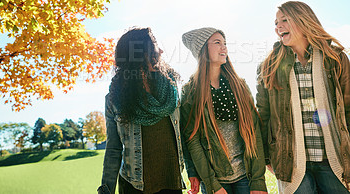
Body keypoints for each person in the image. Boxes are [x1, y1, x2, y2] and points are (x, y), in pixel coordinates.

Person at [256, 1, 350, 194]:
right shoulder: (270, 66)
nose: (278, 27)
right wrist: (267, 158)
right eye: (276, 23)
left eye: (284, 20)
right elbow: (263, 116)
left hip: (334, 162)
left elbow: (348, 108)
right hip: (292, 164)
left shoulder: (335, 59)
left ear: (303, 20)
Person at [97, 27, 185, 194]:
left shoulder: (170, 88)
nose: (160, 51)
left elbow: (185, 133)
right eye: (153, 46)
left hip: (172, 182)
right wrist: (106, 189)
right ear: (137, 53)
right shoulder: (115, 99)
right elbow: (114, 149)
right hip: (134, 187)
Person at [180, 27, 268, 194]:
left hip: (245, 176)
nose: (224, 48)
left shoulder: (239, 85)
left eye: (225, 43)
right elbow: (192, 140)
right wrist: (212, 184)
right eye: (217, 43)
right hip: (216, 180)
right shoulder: (191, 92)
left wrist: (258, 181)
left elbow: (254, 132)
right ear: (203, 50)